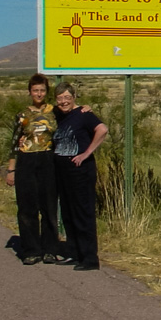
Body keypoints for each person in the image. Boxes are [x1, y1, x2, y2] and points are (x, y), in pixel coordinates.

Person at [52, 82, 108, 271]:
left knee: (83, 213)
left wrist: (87, 153)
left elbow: (102, 129)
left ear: (74, 97)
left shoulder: (84, 115)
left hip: (81, 171)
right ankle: (75, 253)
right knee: (67, 213)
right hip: (63, 171)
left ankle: (89, 258)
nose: (64, 101)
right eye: (60, 98)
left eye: (67, 97)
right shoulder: (58, 115)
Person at [6, 73, 60, 265]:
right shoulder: (22, 115)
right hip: (26, 161)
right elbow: (14, 144)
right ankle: (31, 250)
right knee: (27, 207)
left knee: (49, 207)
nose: (39, 93)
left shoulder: (55, 112)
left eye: (42, 90)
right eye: (35, 90)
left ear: (47, 92)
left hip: (49, 160)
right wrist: (11, 170)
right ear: (29, 92)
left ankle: (50, 249)